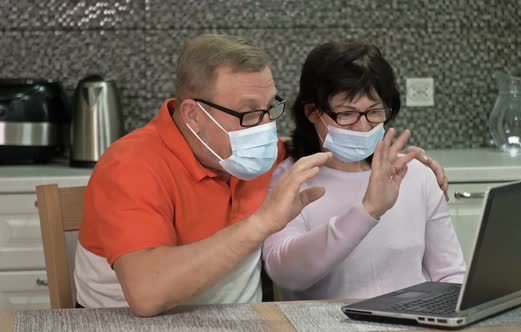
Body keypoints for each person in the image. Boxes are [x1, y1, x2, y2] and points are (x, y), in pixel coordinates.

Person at [73, 34, 449, 317]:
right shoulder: (131, 165)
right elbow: (147, 295)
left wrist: (409, 163)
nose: (264, 127)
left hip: (238, 321)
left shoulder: (259, 155)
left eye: (270, 109)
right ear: (193, 116)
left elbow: (333, 144)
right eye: (249, 113)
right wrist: (262, 223)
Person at [262, 41, 466, 301]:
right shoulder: (291, 178)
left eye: (374, 112)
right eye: (347, 114)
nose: (363, 127)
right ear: (313, 112)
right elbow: (286, 273)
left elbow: (450, 275)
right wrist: (367, 211)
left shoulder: (416, 173)